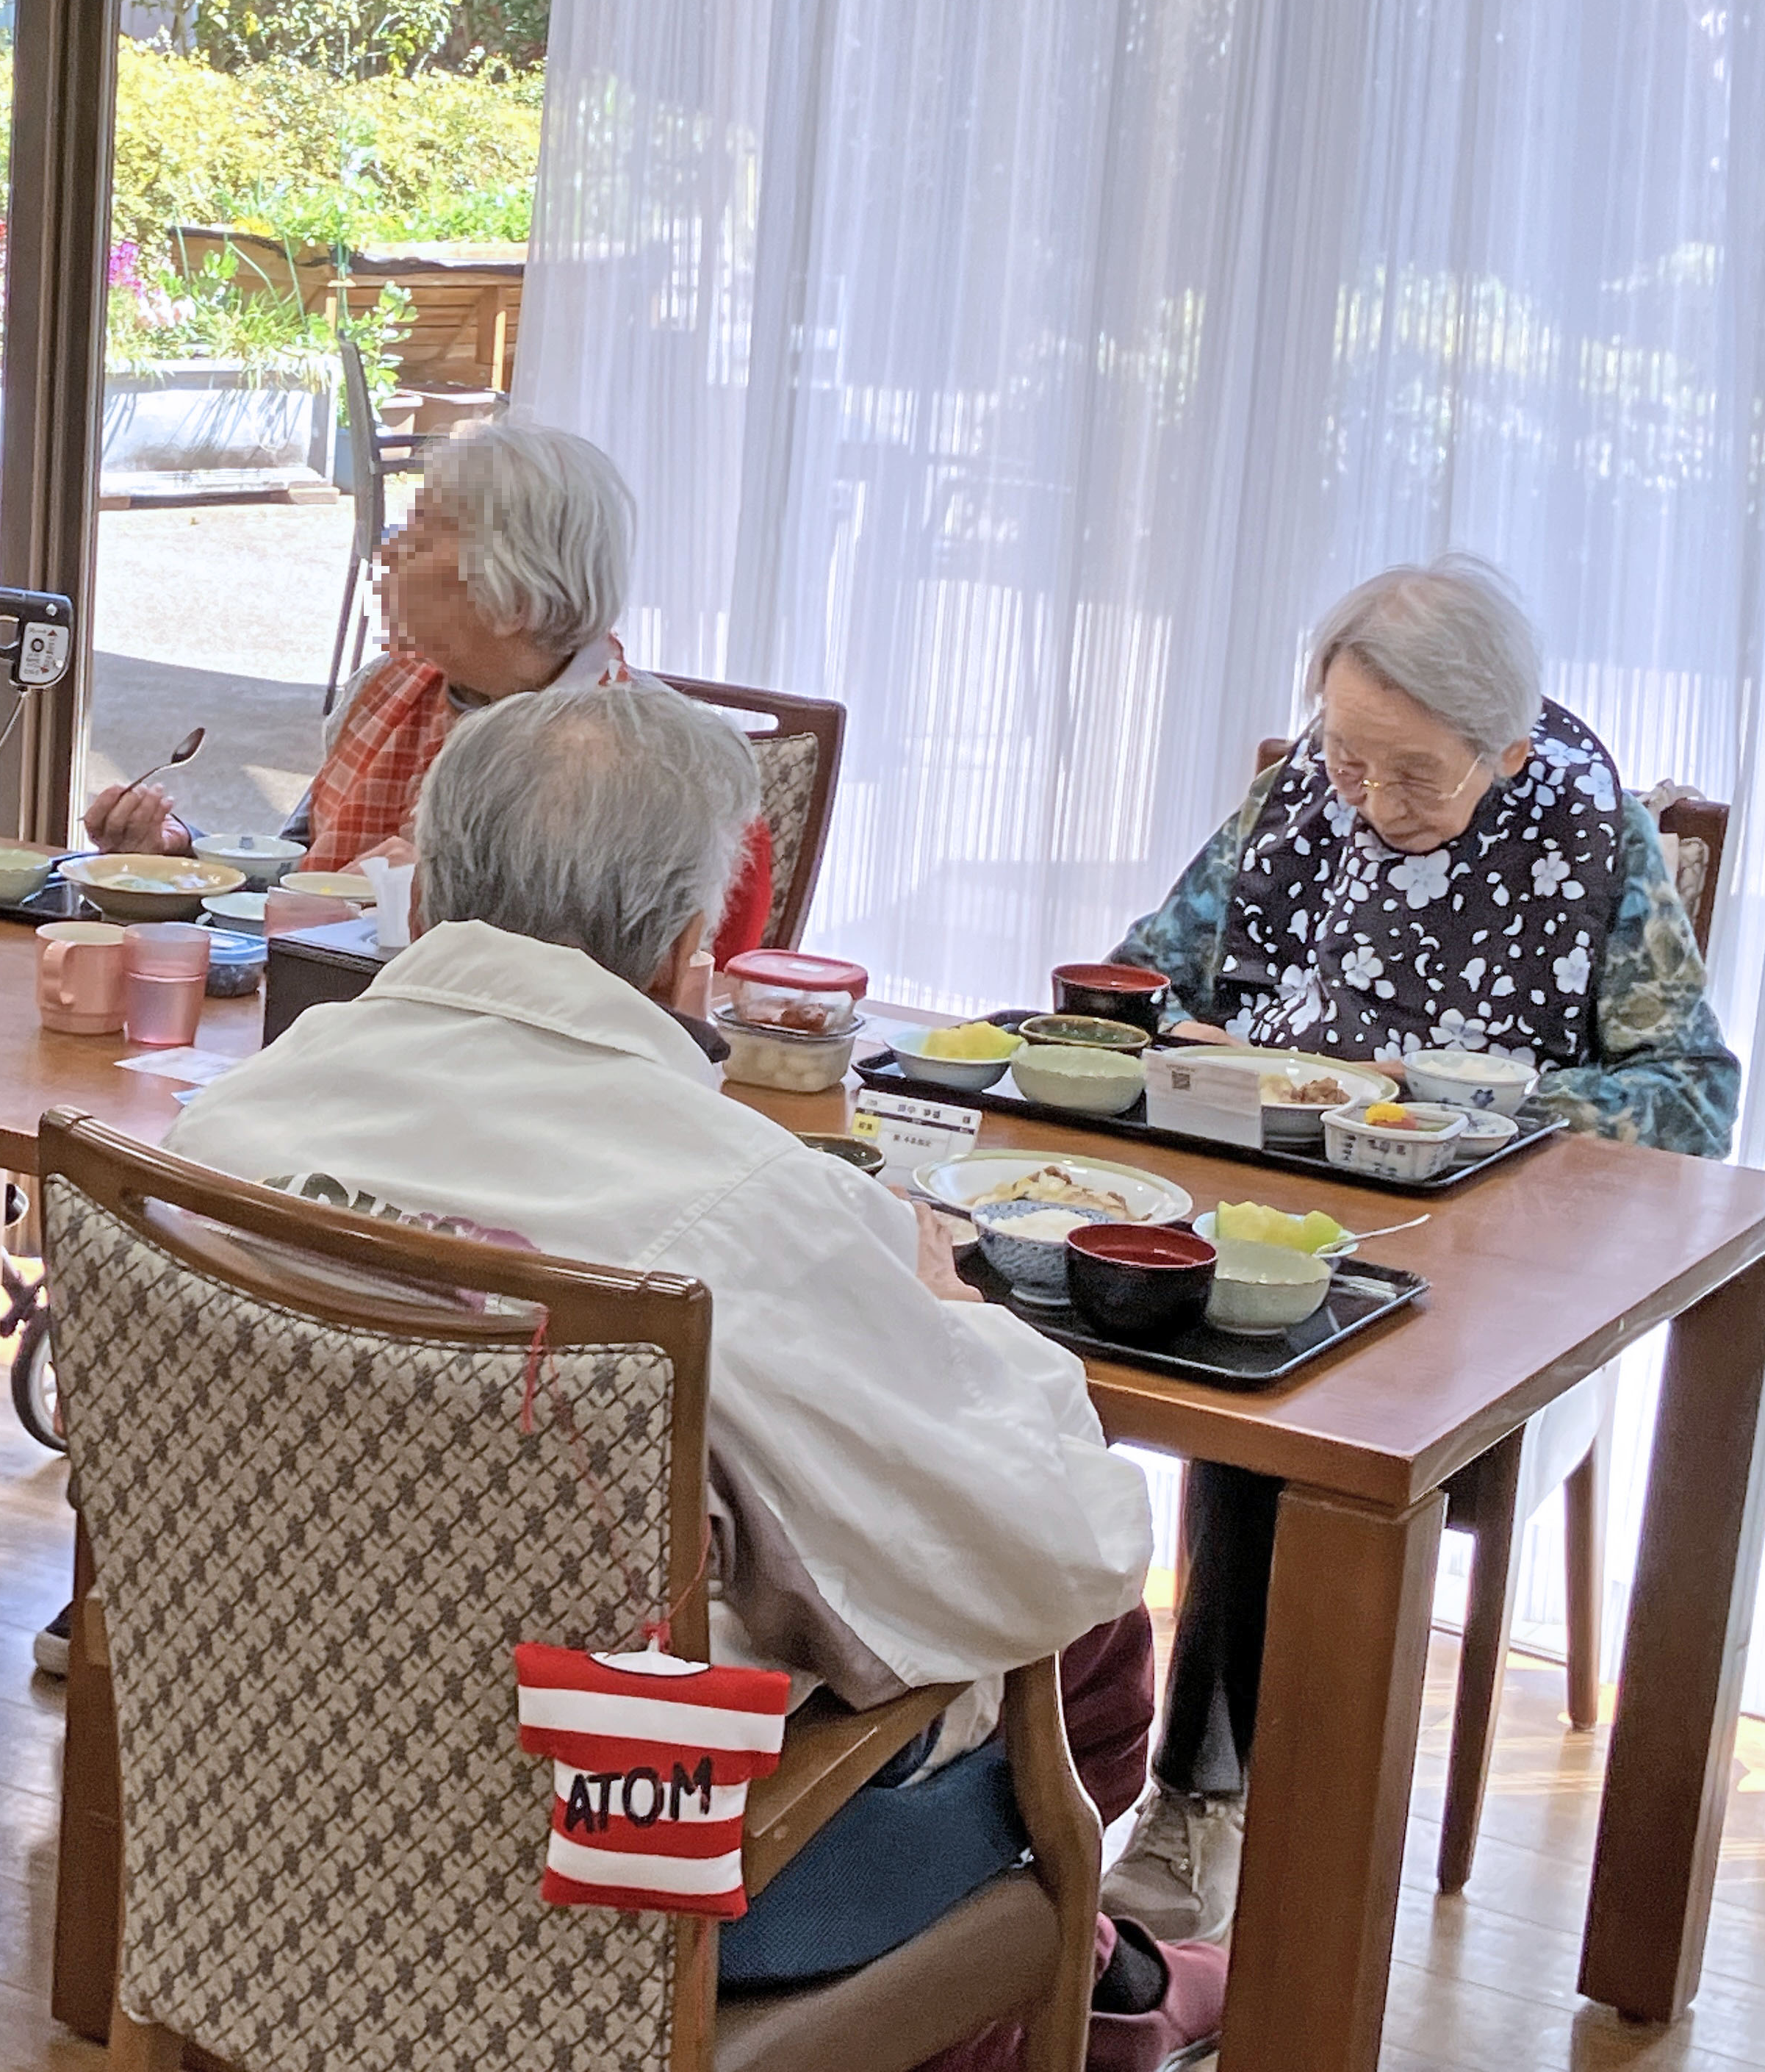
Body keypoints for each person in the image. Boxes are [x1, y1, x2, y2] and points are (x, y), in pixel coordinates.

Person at [161, 685, 1224, 2069]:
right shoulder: (739, 1213)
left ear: (423, 896)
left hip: (263, 1792)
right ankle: (1061, 1989)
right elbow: (1052, 1543)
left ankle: (1094, 1980)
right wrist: (951, 1311)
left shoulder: (229, 1125)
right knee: (1086, 1651)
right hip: (611, 1860)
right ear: (689, 946)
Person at [1099, 556, 1739, 1942]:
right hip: (1273, 1213)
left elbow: (1691, 1095)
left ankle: (1209, 1802)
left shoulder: (1596, 839)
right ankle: (1003, 1768)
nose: (1371, 805)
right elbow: (1145, 974)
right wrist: (1195, 1041)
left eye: (1417, 778)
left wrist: (1425, 1096)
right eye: (1345, 756)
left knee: (1272, 1371)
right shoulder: (1302, 800)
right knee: (1053, 1307)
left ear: (1506, 753)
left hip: (1483, 1271)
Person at [81, 417, 777, 962]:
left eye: (421, 535)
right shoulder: (389, 689)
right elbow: (304, 871)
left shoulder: (646, 765)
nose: (388, 555)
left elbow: (670, 987)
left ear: (515, 597)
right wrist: (180, 856)